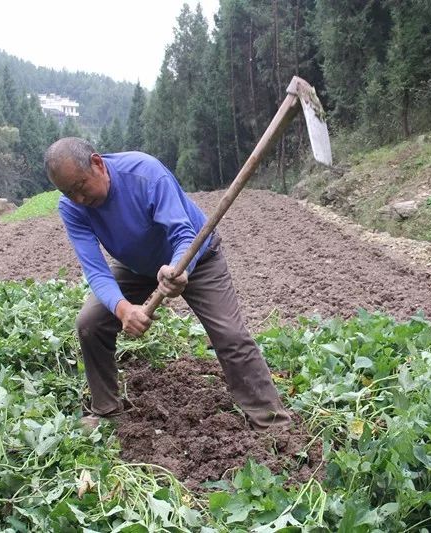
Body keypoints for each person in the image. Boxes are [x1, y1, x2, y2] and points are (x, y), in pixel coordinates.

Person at [44, 137, 292, 431]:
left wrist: (177, 268)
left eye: (81, 187)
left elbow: (183, 234)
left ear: (97, 164)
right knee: (90, 323)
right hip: (136, 266)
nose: (79, 200)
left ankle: (273, 425)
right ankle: (107, 412)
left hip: (196, 257)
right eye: (69, 193)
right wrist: (123, 310)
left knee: (230, 335)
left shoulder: (145, 173)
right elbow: (96, 271)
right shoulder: (72, 208)